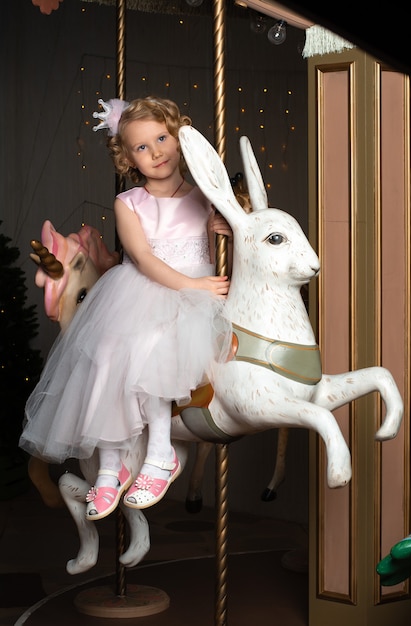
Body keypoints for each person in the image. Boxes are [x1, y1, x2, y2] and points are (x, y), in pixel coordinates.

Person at [20, 96, 233, 520]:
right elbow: (146, 259)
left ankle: (159, 454)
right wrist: (192, 283)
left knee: (149, 348)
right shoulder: (129, 203)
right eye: (141, 147)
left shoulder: (206, 199)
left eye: (161, 138)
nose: (155, 152)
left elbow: (235, 244)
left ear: (179, 138)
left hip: (193, 298)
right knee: (104, 355)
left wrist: (224, 227)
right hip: (146, 287)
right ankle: (111, 468)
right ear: (128, 158)